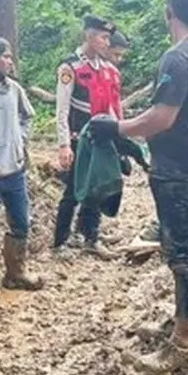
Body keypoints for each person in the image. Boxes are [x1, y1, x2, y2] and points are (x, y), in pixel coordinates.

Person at [94, 0, 188, 354]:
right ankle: (186, 322)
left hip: (181, 168)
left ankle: (181, 343)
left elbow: (163, 117)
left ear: (169, 12)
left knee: (182, 256)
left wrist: (117, 128)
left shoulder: (178, 57)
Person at [0, 37, 43, 301]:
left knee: (21, 222)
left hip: (14, 169)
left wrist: (20, 140)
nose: (10, 62)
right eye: (6, 57)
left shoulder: (14, 89)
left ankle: (16, 271)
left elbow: (28, 116)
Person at [53, 15, 122, 259]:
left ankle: (90, 236)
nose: (106, 43)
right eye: (103, 37)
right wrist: (64, 145)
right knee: (73, 190)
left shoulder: (106, 69)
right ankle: (60, 241)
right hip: (78, 140)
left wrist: (119, 136)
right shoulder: (70, 68)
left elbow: (112, 107)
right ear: (88, 36)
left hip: (100, 140)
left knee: (98, 188)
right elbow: (62, 110)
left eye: (108, 38)